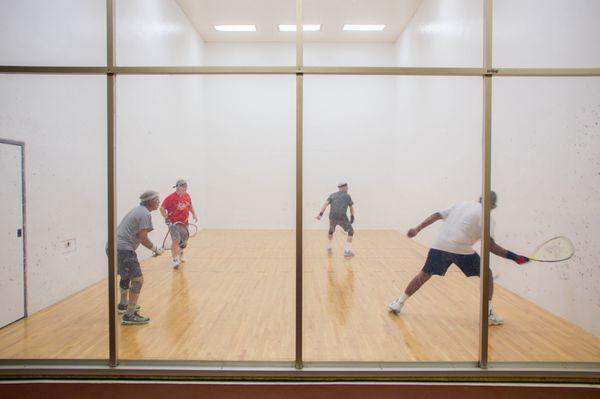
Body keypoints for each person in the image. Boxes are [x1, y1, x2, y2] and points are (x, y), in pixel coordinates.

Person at [388, 191, 530, 325]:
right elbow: (490, 247)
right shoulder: (487, 217)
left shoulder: (462, 205)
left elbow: (437, 215)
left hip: (439, 245)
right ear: (493, 205)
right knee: (487, 274)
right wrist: (515, 257)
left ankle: (399, 303)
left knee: (424, 274)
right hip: (461, 250)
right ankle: (487, 314)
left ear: (480, 198)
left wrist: (417, 229)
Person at [116, 190, 163, 325]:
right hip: (123, 248)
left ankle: (123, 305)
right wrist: (156, 249)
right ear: (149, 201)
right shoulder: (145, 214)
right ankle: (130, 315)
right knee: (138, 280)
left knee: (126, 275)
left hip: (114, 246)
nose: (159, 202)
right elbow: (143, 238)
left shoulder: (138, 210)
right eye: (157, 200)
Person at [160, 179, 198, 269]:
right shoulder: (170, 198)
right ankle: (175, 260)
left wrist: (194, 214)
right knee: (176, 241)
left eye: (185, 187)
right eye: (182, 186)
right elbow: (162, 208)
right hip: (174, 224)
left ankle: (181, 252)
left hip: (185, 223)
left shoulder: (187, 196)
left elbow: (190, 205)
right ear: (177, 187)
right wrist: (166, 218)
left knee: (184, 242)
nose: (184, 189)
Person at [315, 182, 356, 258]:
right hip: (342, 217)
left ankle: (329, 246)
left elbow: (325, 204)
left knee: (331, 231)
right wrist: (352, 217)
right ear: (342, 188)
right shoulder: (347, 196)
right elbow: (351, 207)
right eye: (347, 187)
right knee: (351, 231)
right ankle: (347, 251)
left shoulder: (332, 195)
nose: (348, 188)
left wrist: (320, 214)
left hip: (332, 217)